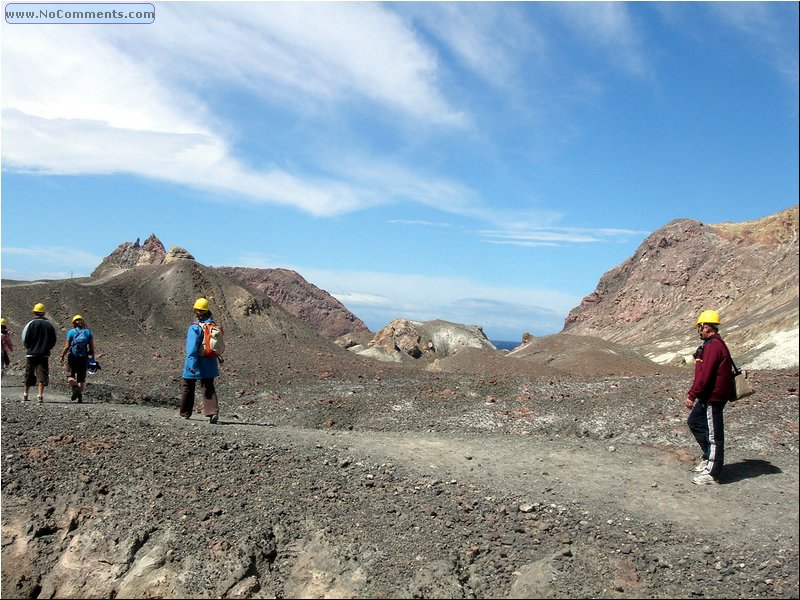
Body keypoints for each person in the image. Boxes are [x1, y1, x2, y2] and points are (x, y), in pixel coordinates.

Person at [685, 309, 735, 485]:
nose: (698, 330)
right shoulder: (711, 345)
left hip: (713, 397)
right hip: (707, 396)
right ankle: (708, 457)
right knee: (694, 422)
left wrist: (692, 395)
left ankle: (712, 473)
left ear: (706, 327)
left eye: (699, 327)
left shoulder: (713, 346)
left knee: (714, 434)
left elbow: (705, 375)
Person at [179, 297, 220, 423]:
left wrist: (190, 364)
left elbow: (191, 349)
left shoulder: (195, 328)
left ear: (197, 311)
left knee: (188, 386)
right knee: (208, 386)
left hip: (195, 362)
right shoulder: (213, 325)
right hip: (210, 362)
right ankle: (212, 412)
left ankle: (185, 413)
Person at [21, 303, 58, 403]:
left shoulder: (31, 324)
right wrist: (47, 348)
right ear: (43, 312)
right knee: (41, 374)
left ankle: (25, 394)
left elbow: (25, 338)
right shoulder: (49, 325)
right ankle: (40, 395)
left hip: (31, 353)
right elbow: (53, 340)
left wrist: (29, 347)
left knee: (29, 373)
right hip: (44, 354)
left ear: (35, 313)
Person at [59, 315, 96, 403]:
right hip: (83, 358)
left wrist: (62, 355)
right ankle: (80, 397)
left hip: (73, 357)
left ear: (74, 323)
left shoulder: (71, 332)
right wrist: (93, 357)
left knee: (70, 376)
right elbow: (91, 347)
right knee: (81, 378)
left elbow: (67, 346)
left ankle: (75, 388)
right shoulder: (88, 332)